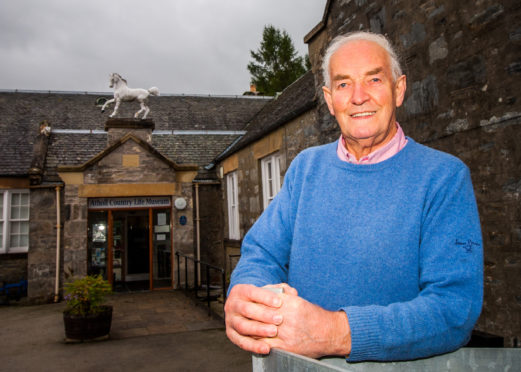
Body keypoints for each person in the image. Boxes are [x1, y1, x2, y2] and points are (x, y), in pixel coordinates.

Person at [225, 31, 483, 362]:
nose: (359, 96)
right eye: (344, 84)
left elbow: (454, 310)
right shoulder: (306, 168)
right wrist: (245, 296)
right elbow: (261, 252)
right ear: (330, 100)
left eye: (374, 79)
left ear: (398, 89)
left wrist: (336, 332)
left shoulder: (444, 178)